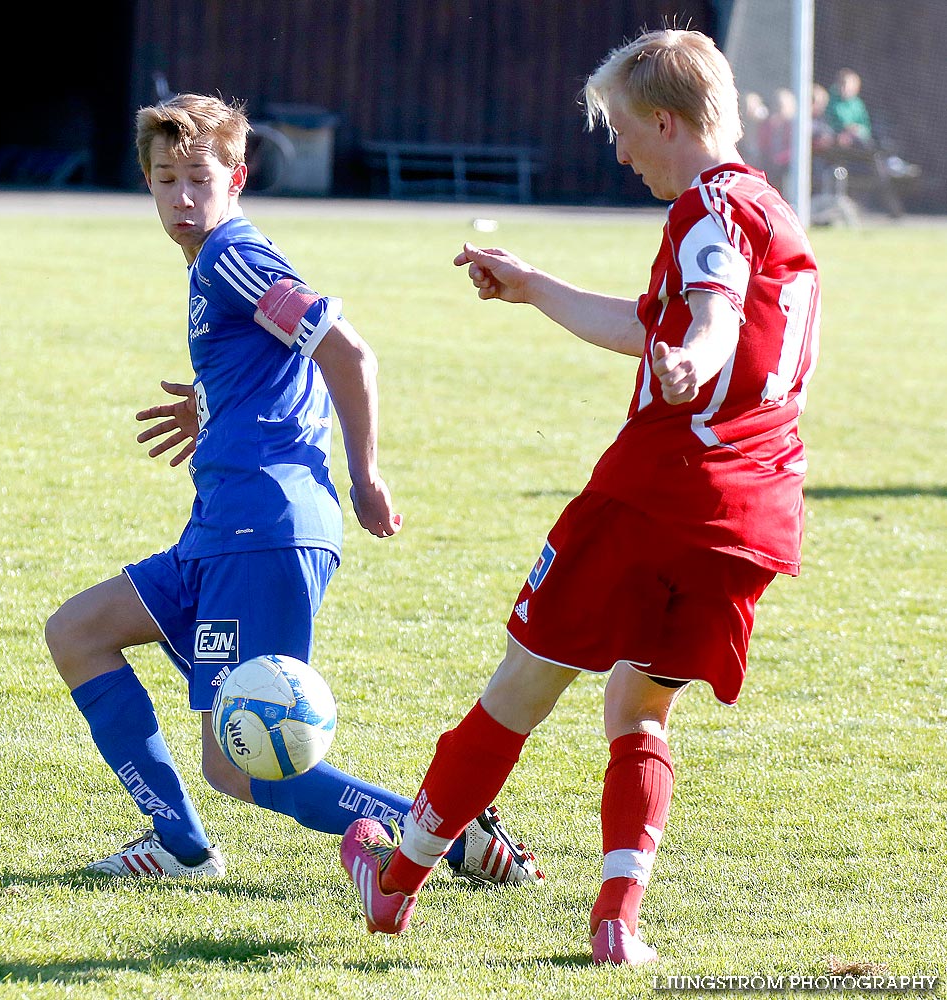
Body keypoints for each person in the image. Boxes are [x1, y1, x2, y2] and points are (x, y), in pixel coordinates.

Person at [340, 28, 820, 966]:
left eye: (623, 130)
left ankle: (392, 887)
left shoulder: (708, 208)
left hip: (653, 496)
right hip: (747, 519)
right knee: (639, 711)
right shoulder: (773, 213)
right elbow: (658, 324)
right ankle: (616, 923)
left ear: (669, 120)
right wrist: (534, 289)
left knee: (518, 692)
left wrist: (693, 357)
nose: (620, 149)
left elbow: (709, 316)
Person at [44, 92, 542, 889]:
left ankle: (448, 839)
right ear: (145, 181)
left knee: (243, 766)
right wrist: (214, 405)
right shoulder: (215, 267)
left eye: (198, 178)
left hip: (262, 529)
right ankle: (179, 845)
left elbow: (345, 351)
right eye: (165, 177)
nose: (181, 196)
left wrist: (366, 475)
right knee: (77, 633)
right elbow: (278, 363)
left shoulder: (233, 255)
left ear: (235, 179)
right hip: (220, 531)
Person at [824, 68, 873, 149]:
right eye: (842, 84)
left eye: (850, 85)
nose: (845, 88)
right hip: (834, 140)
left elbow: (866, 128)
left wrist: (857, 129)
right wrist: (842, 131)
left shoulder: (858, 104)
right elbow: (827, 122)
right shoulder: (829, 100)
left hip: (855, 141)